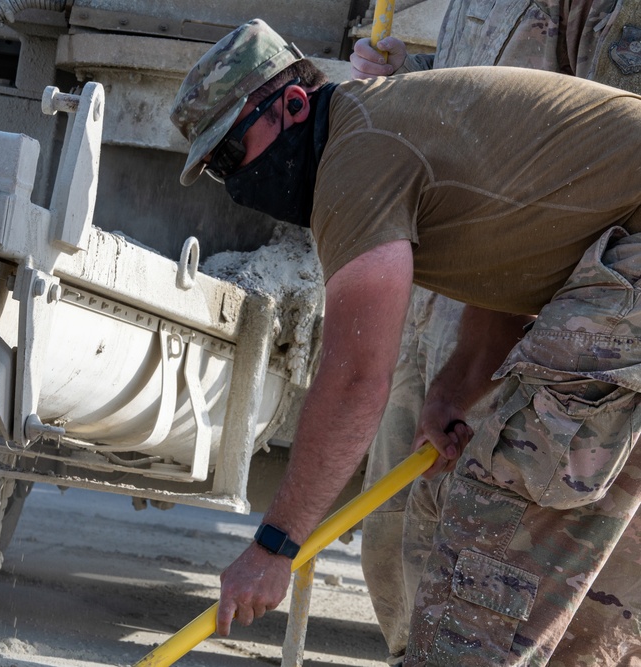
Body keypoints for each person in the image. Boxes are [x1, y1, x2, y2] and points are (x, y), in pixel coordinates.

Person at [170, 18, 641, 664]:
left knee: (492, 532)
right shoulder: (385, 129)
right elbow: (512, 256)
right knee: (577, 591)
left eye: (230, 154)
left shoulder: (352, 157)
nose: (235, 179)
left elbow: (358, 378)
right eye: (217, 168)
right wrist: (455, 387)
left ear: (294, 105)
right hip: (618, 258)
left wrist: (274, 547)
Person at [346, 1, 641, 664]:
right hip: (449, 326)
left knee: (522, 620)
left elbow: (612, 174)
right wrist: (408, 86)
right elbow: (505, 98)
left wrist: (475, 366)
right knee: (408, 572)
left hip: (550, 369)